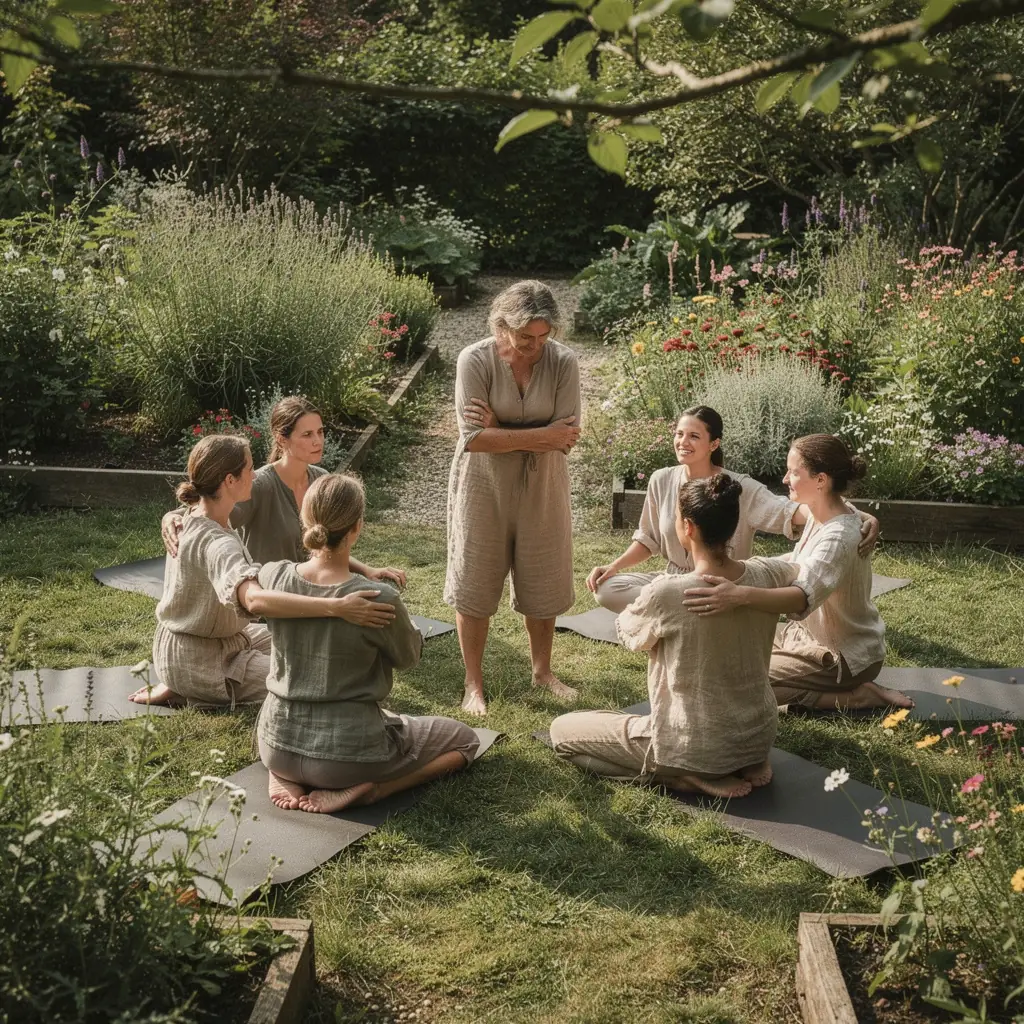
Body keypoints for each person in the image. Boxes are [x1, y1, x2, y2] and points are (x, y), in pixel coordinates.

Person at [550, 474, 799, 798]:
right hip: (758, 738)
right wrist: (855, 518)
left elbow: (630, 633)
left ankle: (680, 776)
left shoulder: (666, 592)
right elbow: (801, 564)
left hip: (693, 744)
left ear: (689, 528)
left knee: (562, 732)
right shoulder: (767, 573)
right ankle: (741, 763)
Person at [256, 473, 480, 812]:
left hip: (275, 741)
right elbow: (408, 658)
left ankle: (284, 773)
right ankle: (379, 789)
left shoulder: (273, 575)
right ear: (356, 527)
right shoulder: (378, 598)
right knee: (465, 740)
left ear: (306, 519)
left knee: (386, 720)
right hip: (345, 758)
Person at [130, 435, 392, 707]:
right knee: (321, 681)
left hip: (226, 639)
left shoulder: (194, 515)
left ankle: (179, 682)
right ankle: (185, 683)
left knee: (307, 639)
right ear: (230, 480)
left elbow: (184, 511)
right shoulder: (216, 543)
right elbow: (253, 600)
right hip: (202, 659)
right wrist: (336, 606)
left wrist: (168, 516)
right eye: (249, 469)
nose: (255, 475)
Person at [681, 434, 912, 711]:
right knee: (729, 645)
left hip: (842, 656)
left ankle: (857, 697)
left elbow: (800, 597)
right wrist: (740, 571)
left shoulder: (838, 538)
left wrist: (738, 595)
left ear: (821, 480)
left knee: (732, 681)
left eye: (793, 472)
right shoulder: (824, 511)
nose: (785, 479)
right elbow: (801, 560)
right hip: (803, 637)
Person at [586, 406, 880, 613]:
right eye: (679, 434)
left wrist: (860, 516)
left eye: (693, 436)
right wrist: (614, 566)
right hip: (673, 580)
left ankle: (679, 610)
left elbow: (796, 511)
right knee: (608, 589)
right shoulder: (661, 480)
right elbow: (647, 539)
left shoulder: (739, 487)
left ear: (714, 443)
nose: (682, 442)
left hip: (723, 582)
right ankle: (683, 608)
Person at [445, 280, 582, 716]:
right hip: (482, 486)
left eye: (543, 337)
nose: (535, 346)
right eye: (526, 337)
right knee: (475, 581)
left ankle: (542, 671)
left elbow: (566, 438)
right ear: (502, 326)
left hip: (544, 485)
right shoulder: (474, 360)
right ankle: (472, 683)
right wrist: (538, 435)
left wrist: (500, 425)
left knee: (543, 575)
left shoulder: (563, 362)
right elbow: (474, 440)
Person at [161, 395, 405, 601]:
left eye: (320, 432)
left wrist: (367, 570)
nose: (318, 441)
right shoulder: (258, 484)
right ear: (281, 439)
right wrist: (171, 516)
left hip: (315, 592)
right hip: (270, 600)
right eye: (307, 434)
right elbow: (209, 512)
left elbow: (327, 547)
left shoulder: (321, 480)